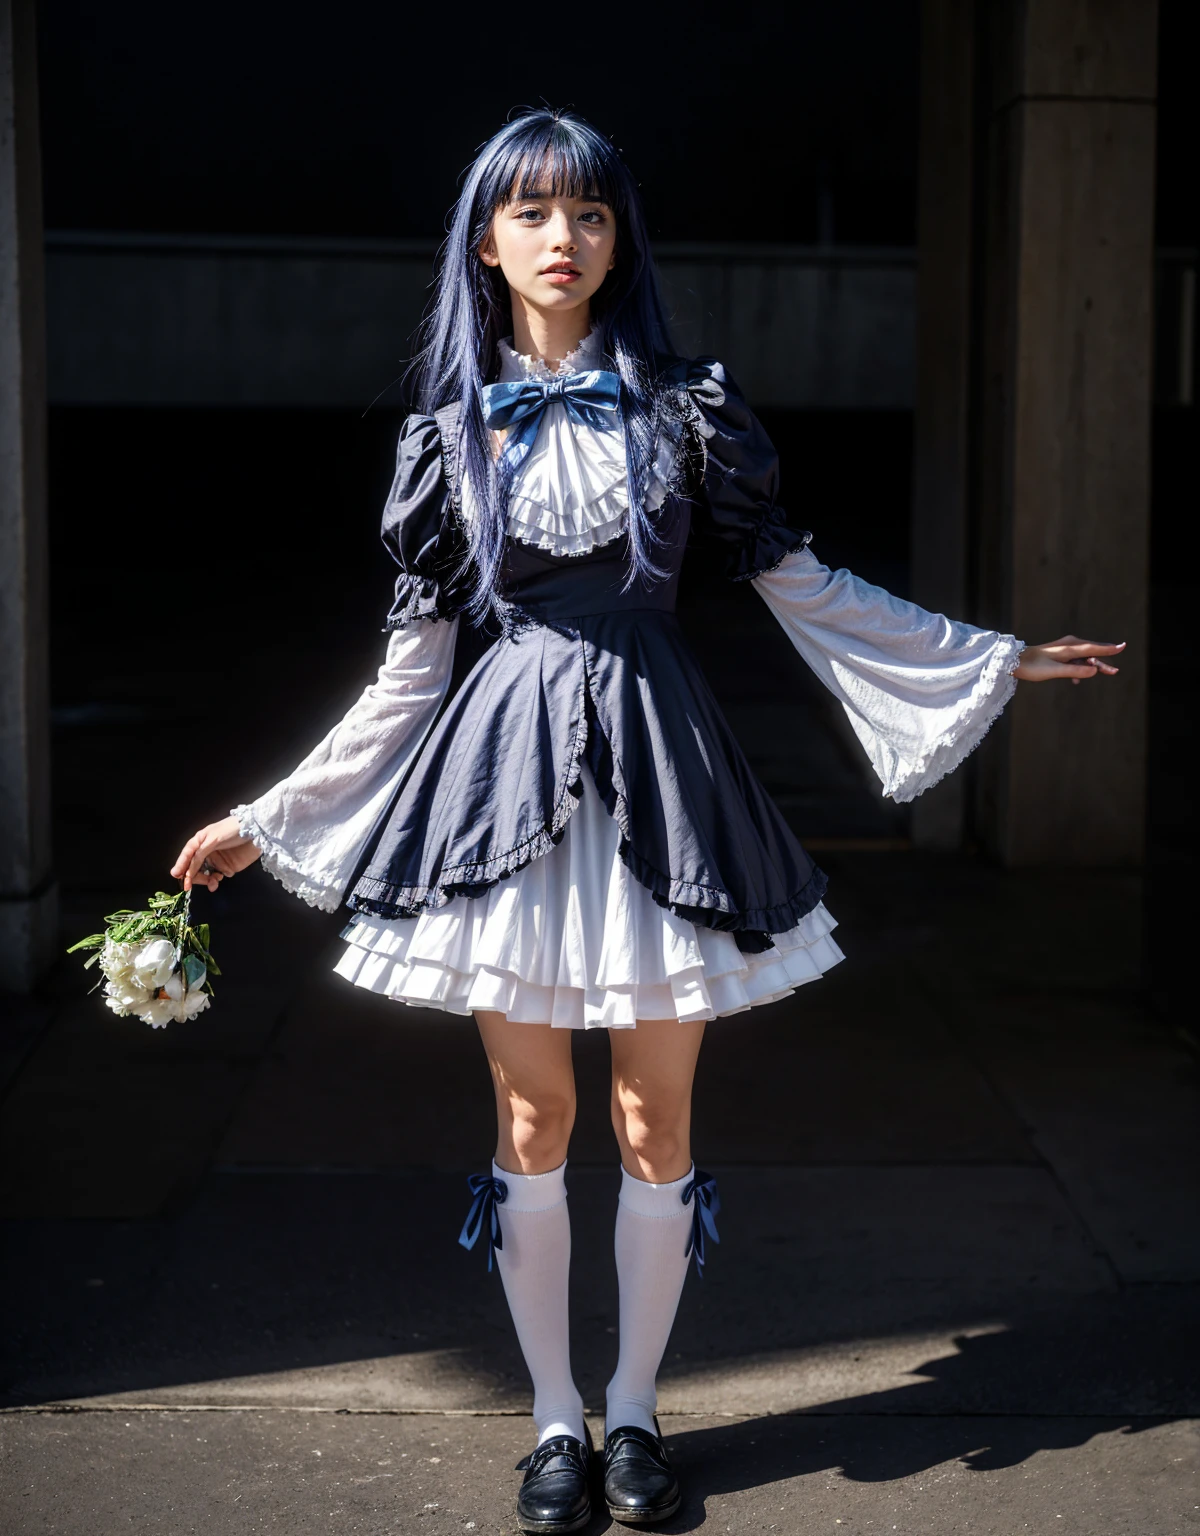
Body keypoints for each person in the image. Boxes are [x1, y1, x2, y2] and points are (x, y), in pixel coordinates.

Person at [171, 109, 1122, 1534]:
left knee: (652, 1123)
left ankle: (632, 1411)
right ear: (484, 242)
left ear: (622, 241)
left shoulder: (688, 410)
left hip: (661, 775)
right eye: (536, 215)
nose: (566, 240)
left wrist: (987, 654)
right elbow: (409, 677)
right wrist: (270, 812)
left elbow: (802, 585)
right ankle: (553, 1416)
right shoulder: (449, 440)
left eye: (593, 215)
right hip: (503, 791)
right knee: (537, 1117)